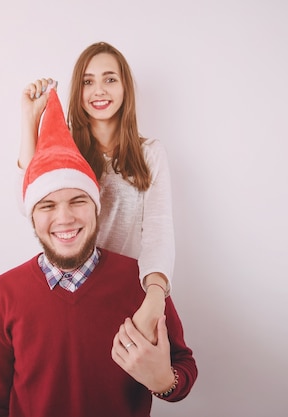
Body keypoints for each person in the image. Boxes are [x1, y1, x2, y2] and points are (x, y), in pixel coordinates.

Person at [0, 88, 197, 417]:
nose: (64, 217)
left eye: (78, 201)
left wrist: (164, 380)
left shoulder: (138, 283)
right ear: (32, 217)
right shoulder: (4, 294)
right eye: (47, 205)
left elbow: (183, 369)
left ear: (97, 210)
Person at [18, 42, 175, 344]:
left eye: (110, 79)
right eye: (88, 82)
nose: (99, 90)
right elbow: (26, 202)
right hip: (69, 286)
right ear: (77, 91)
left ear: (125, 88)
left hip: (125, 291)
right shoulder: (66, 149)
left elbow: (158, 230)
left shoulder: (150, 154)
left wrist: (156, 293)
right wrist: (29, 121)